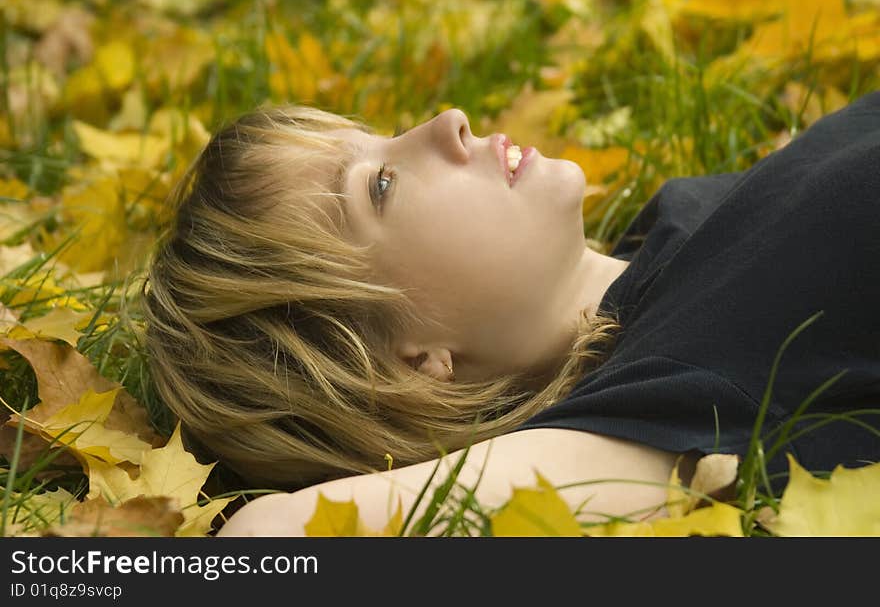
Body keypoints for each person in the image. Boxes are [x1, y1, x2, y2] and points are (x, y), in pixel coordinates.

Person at [140, 92, 880, 536]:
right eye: (382, 186)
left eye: (380, 137)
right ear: (412, 359)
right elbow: (270, 540)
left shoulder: (667, 232)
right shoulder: (665, 396)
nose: (447, 121)